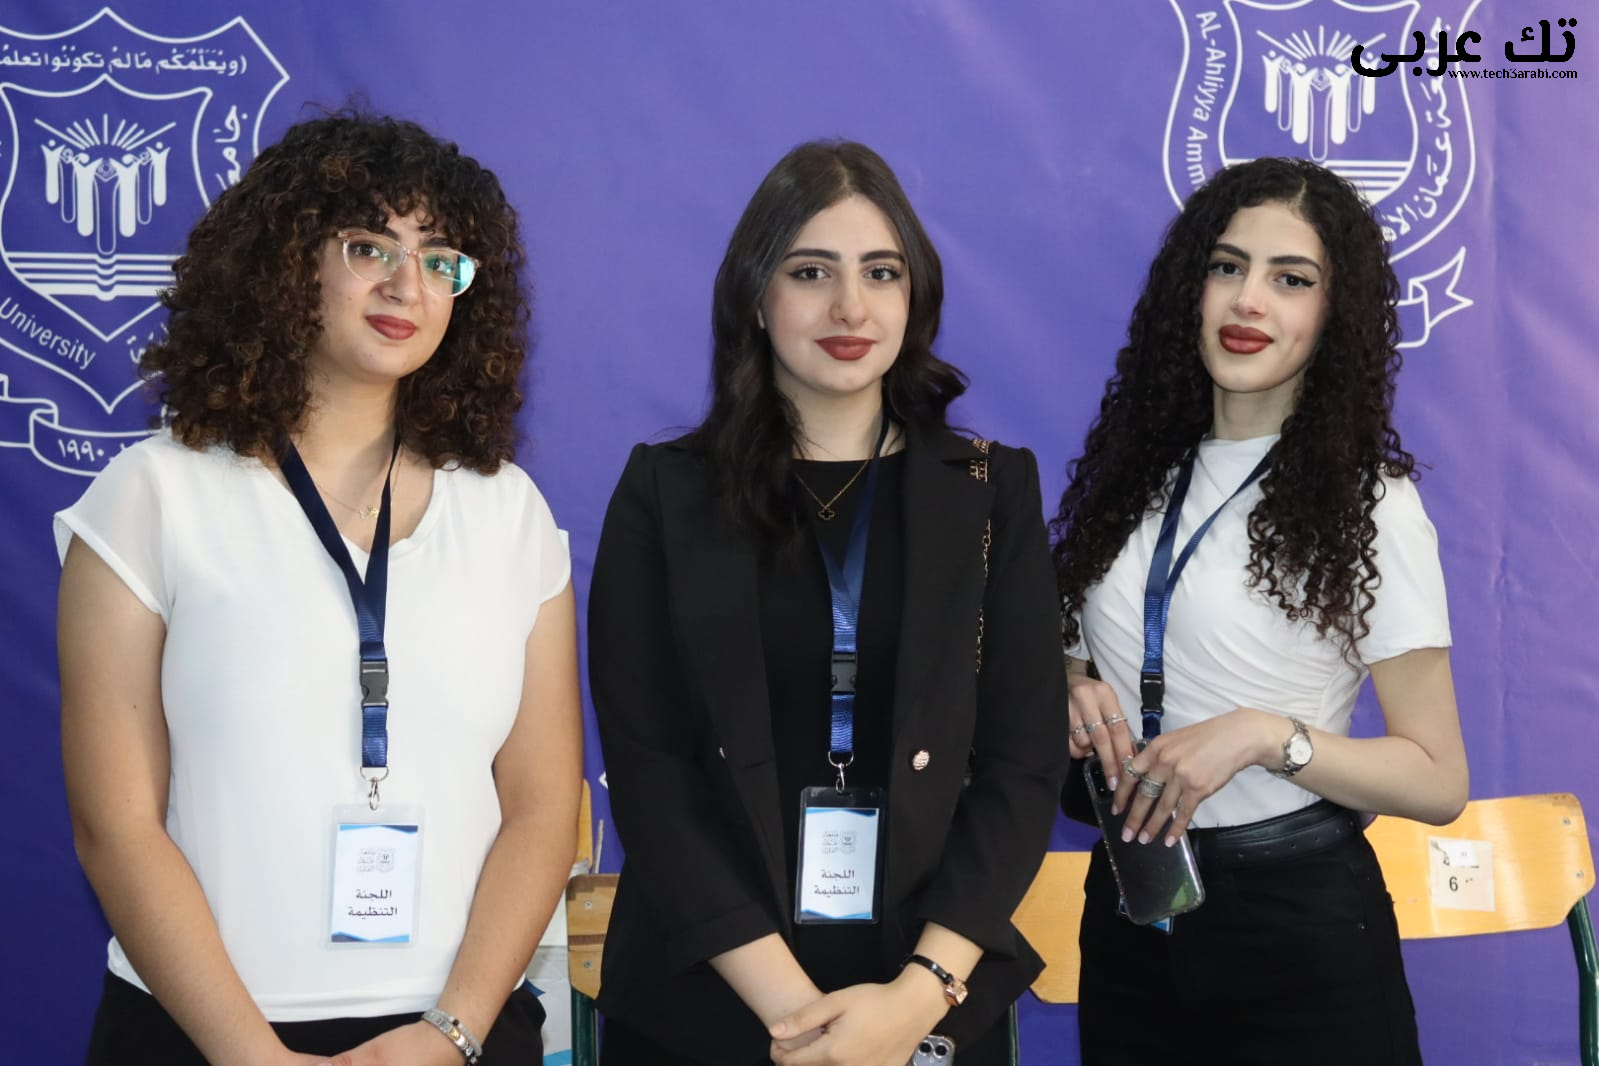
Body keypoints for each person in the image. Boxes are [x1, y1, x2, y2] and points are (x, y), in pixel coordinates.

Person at [55, 112, 582, 1065]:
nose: (406, 285)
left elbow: (543, 807)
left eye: (439, 260)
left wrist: (453, 1031)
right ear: (285, 261)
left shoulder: (507, 511)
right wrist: (253, 1057)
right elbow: (115, 825)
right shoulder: (152, 497)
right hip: (200, 1036)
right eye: (368, 246)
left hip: (452, 1037)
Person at [587, 140, 1067, 1066]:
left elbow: (1022, 764)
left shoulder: (987, 489)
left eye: (880, 273)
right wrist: (798, 1017)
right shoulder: (666, 490)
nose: (850, 307)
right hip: (712, 1002)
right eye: (811, 272)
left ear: (914, 297)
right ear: (754, 296)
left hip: (920, 1004)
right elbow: (650, 770)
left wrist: (914, 1001)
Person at [1051, 156, 1469, 1065]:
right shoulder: (1128, 481)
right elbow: (1074, 670)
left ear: (1334, 314)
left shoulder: (1369, 504)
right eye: (1226, 267)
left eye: (1291, 279)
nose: (1248, 300)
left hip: (1299, 921)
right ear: (1188, 291)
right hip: (1131, 908)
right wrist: (1065, 691)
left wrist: (1263, 736)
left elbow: (1439, 781)